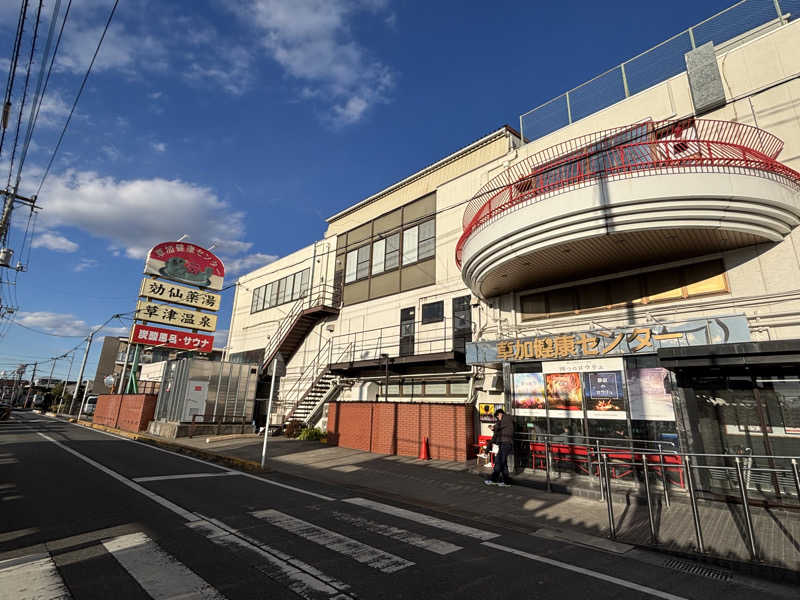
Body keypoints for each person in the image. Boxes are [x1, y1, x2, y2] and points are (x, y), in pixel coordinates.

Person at [485, 408, 513, 487]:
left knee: (499, 461)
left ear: (500, 414)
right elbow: (495, 435)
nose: (498, 419)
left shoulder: (506, 418)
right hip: (503, 444)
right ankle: (506, 482)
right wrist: (487, 449)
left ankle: (494, 479)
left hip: (506, 443)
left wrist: (493, 427)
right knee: (503, 463)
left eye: (497, 417)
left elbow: (498, 425)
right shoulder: (503, 423)